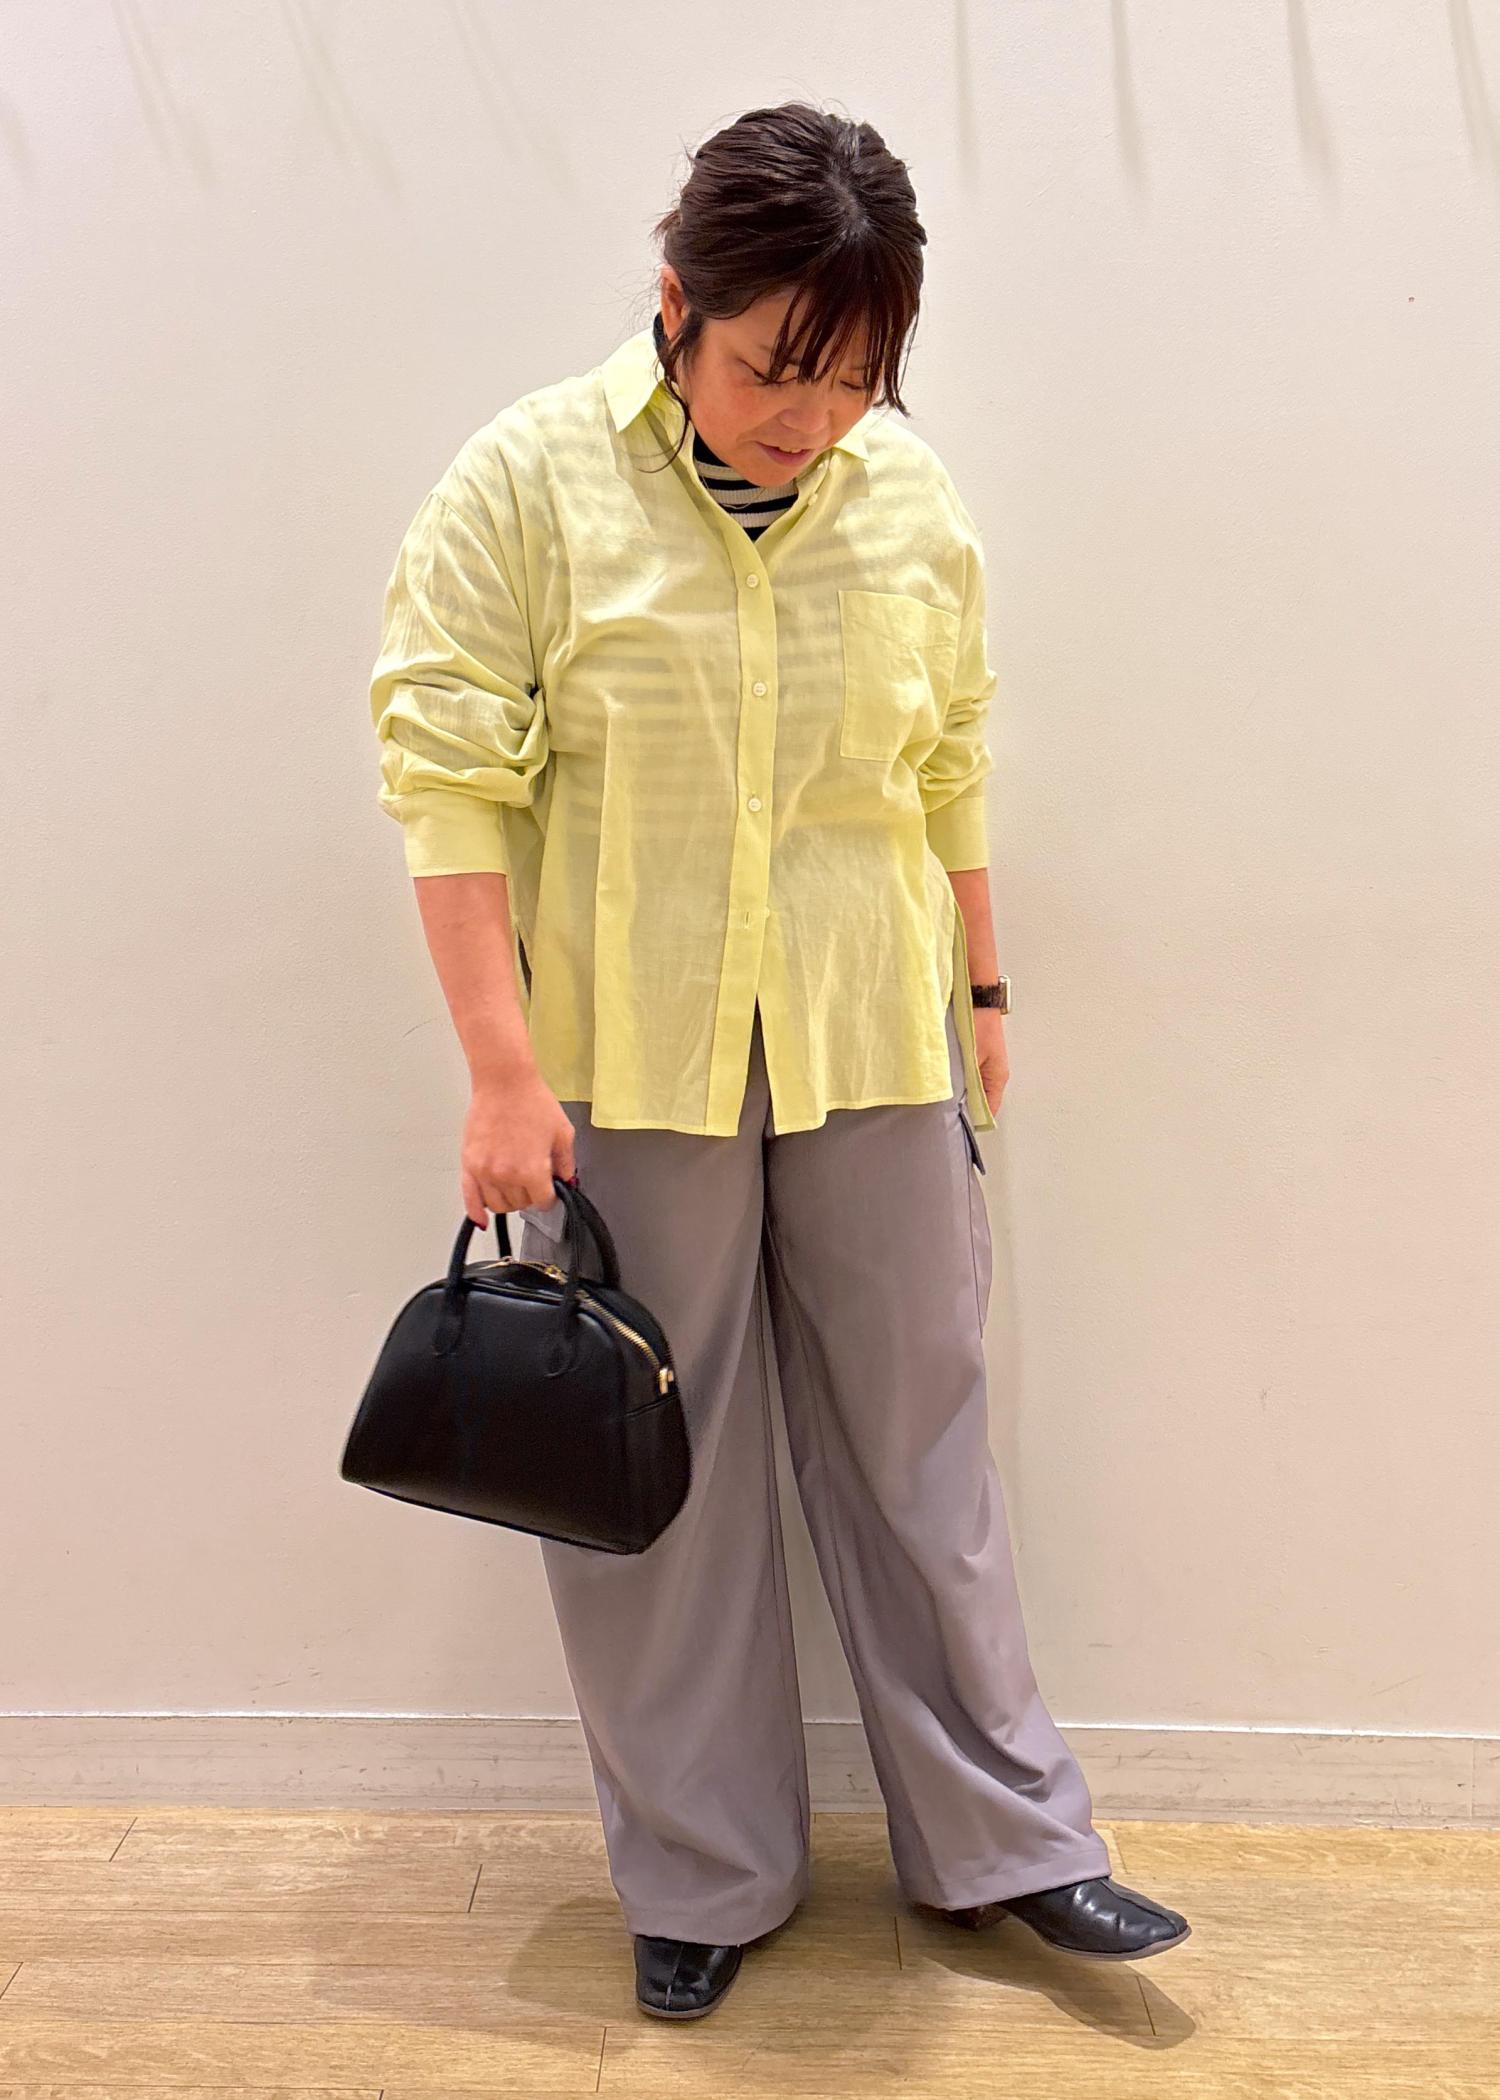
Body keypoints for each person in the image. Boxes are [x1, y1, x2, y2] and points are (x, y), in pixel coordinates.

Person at [368, 100, 1190, 2022]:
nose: (809, 417)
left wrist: (985, 988)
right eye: (771, 367)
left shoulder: (909, 498)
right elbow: (447, 778)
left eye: (854, 376)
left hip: (872, 1030)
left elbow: (945, 752)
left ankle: (1010, 1847)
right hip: (624, 1054)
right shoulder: (527, 483)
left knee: (924, 1438)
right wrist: (499, 1072)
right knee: (655, 1462)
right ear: (676, 304)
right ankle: (701, 1872)